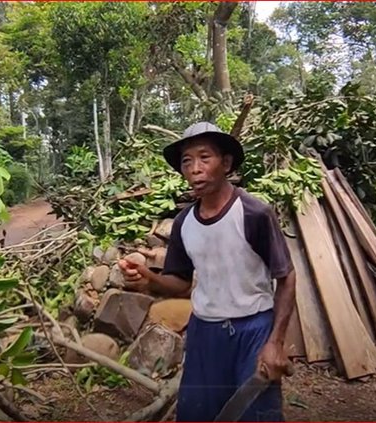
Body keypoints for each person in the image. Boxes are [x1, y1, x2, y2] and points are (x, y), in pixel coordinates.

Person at [119, 122, 296, 422]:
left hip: (253, 330)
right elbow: (180, 284)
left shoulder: (254, 214)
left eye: (204, 158)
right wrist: (148, 278)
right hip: (205, 334)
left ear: (225, 163)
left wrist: (275, 343)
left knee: (255, 414)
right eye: (187, 161)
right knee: (198, 413)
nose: (195, 169)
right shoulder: (184, 223)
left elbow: (287, 277)